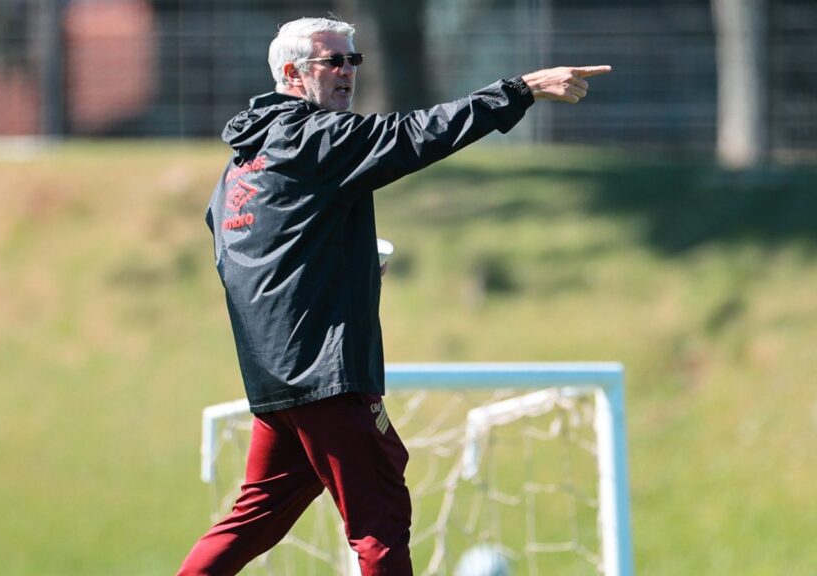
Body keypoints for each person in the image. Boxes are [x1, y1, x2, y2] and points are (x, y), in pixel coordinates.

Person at [181, 16, 610, 576]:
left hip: (276, 383)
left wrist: (340, 274)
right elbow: (415, 135)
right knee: (380, 522)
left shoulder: (239, 166)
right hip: (324, 379)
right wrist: (520, 89)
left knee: (251, 520)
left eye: (353, 60)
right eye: (332, 61)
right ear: (291, 73)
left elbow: (239, 253)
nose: (347, 73)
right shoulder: (315, 137)